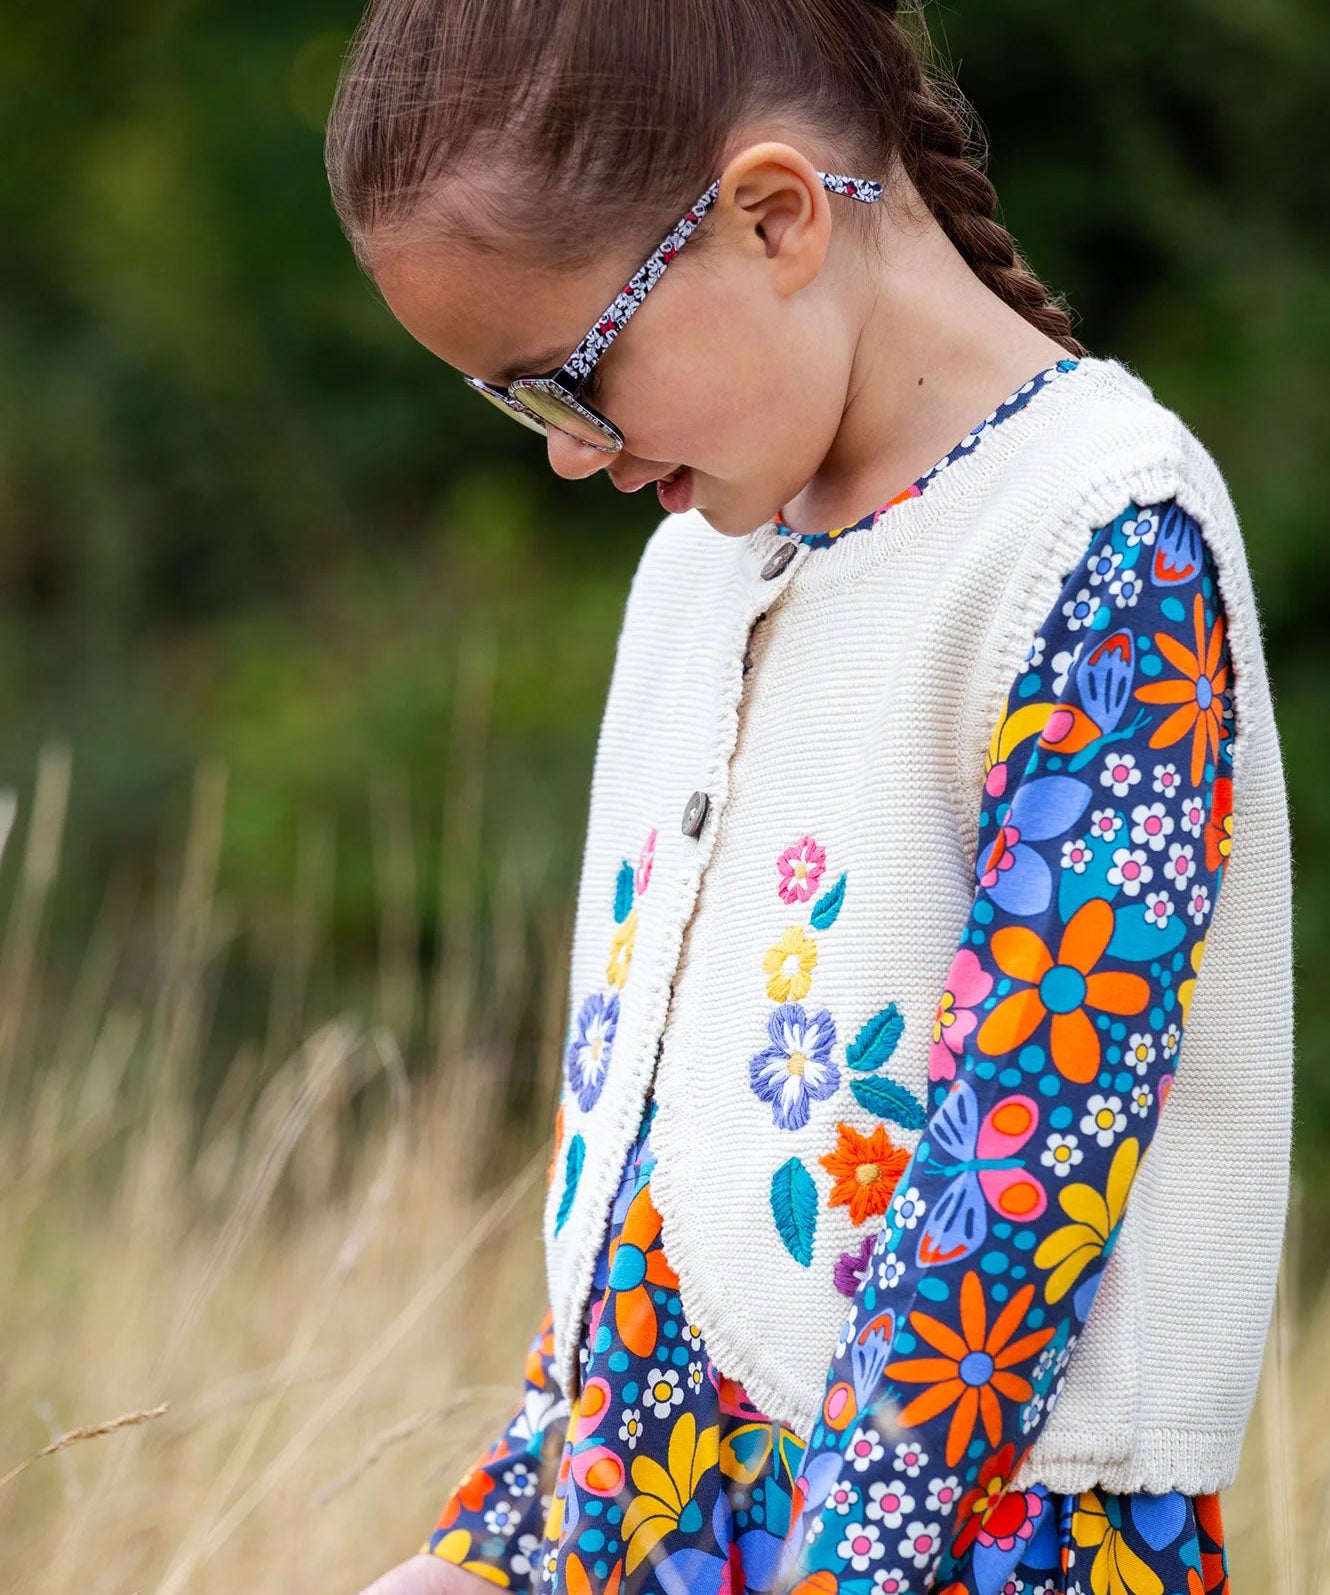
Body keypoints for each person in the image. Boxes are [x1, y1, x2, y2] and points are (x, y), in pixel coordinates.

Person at [323, 2, 1293, 1592]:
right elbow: (648, 1151)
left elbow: (1022, 1179)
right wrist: (492, 1541)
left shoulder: (1096, 537)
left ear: (772, 217)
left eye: (568, 379)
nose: (567, 457)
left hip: (974, 1549)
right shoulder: (695, 580)